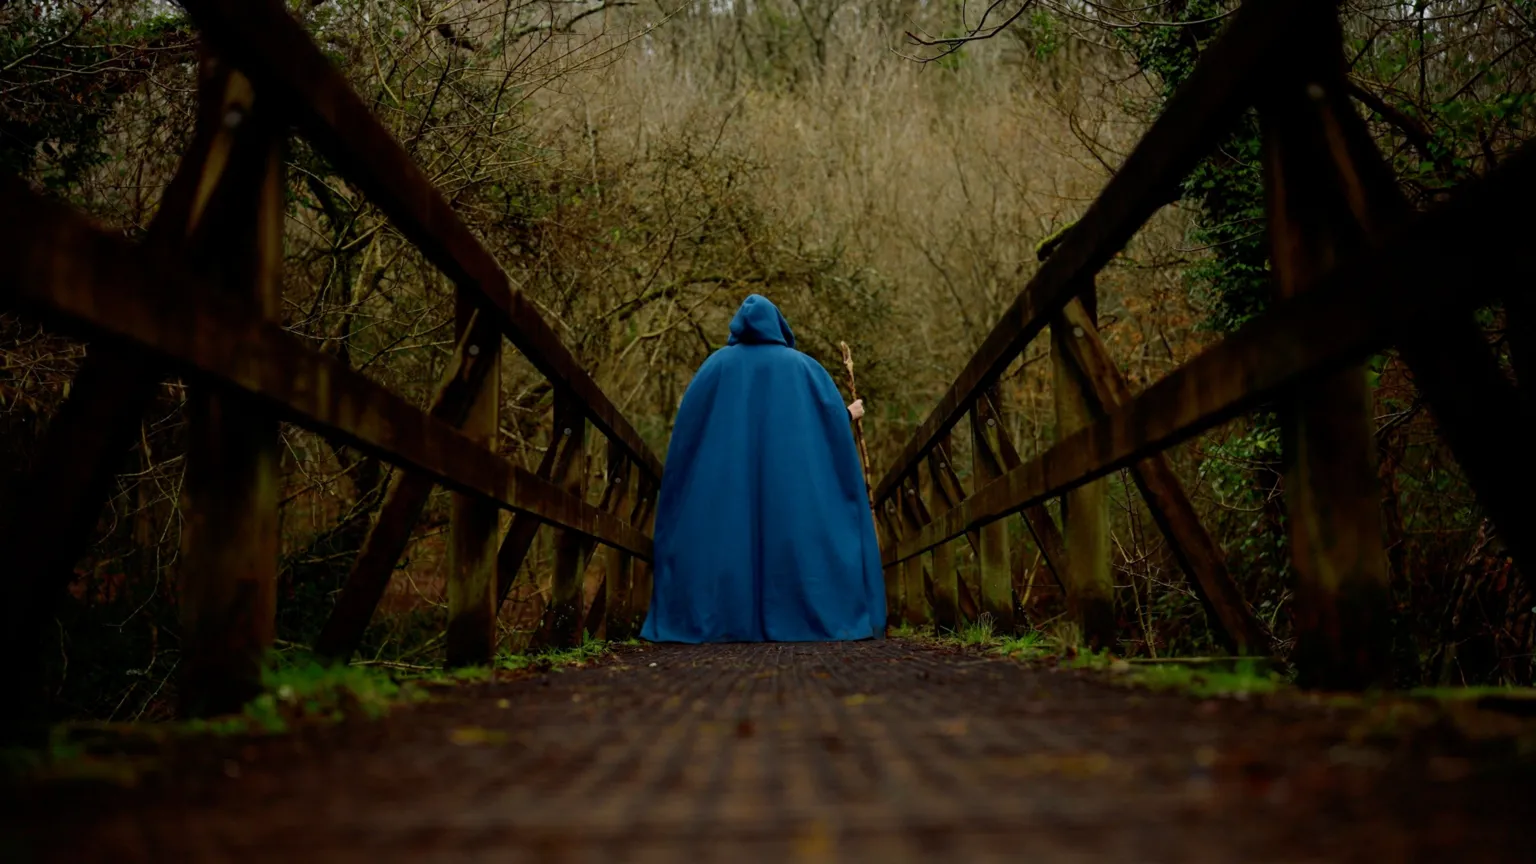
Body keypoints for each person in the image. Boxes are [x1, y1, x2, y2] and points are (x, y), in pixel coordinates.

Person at [640, 294, 886, 642]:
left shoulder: (713, 368)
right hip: (789, 494)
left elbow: (688, 436)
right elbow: (823, 425)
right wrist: (847, 414)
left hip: (726, 492)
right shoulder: (804, 369)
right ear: (779, 325)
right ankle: (800, 614)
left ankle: (723, 617)